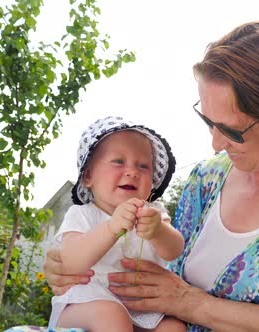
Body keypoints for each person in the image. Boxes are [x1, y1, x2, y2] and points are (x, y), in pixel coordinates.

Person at [44, 13, 259, 331]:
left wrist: (193, 305)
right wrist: (75, 269)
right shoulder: (206, 180)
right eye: (208, 122)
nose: (215, 144)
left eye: (233, 131)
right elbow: (165, 268)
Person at [48, 116, 186, 331]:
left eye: (143, 166)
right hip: (88, 304)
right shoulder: (82, 214)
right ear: (88, 176)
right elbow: (70, 262)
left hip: (141, 308)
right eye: (119, 162)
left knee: (174, 327)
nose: (132, 171)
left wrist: (158, 231)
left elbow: (174, 250)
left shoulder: (153, 212)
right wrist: (111, 228)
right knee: (111, 315)